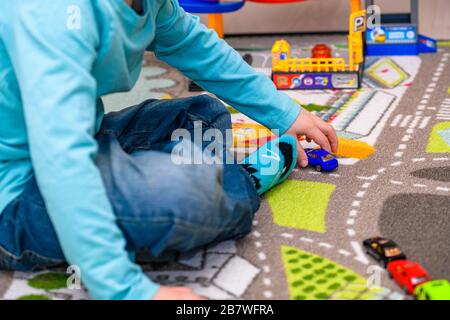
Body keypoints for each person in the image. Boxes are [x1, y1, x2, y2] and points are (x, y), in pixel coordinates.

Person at [0, 0, 337, 300]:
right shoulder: (52, 13)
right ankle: (237, 182)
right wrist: (123, 289)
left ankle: (177, 190)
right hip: (16, 196)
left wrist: (285, 113)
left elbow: (193, 45)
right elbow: (63, 163)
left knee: (202, 114)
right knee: (183, 190)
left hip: (77, 137)